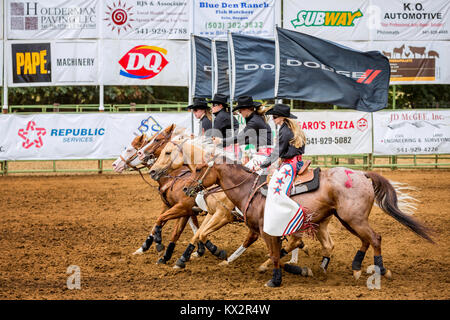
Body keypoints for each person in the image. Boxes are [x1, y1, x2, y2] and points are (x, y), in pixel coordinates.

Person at [258, 103, 307, 237]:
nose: (273, 120)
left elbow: (277, 152)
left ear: (282, 117)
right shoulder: (290, 128)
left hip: (290, 164)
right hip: (292, 162)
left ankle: (295, 215)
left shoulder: (285, 131)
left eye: (274, 117)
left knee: (275, 189)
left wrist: (263, 164)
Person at [222, 95, 273, 171]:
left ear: (247, 109)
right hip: (263, 152)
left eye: (240, 110)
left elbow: (241, 137)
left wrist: (220, 141)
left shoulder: (254, 121)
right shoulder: (254, 118)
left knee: (243, 174)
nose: (239, 112)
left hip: (265, 154)